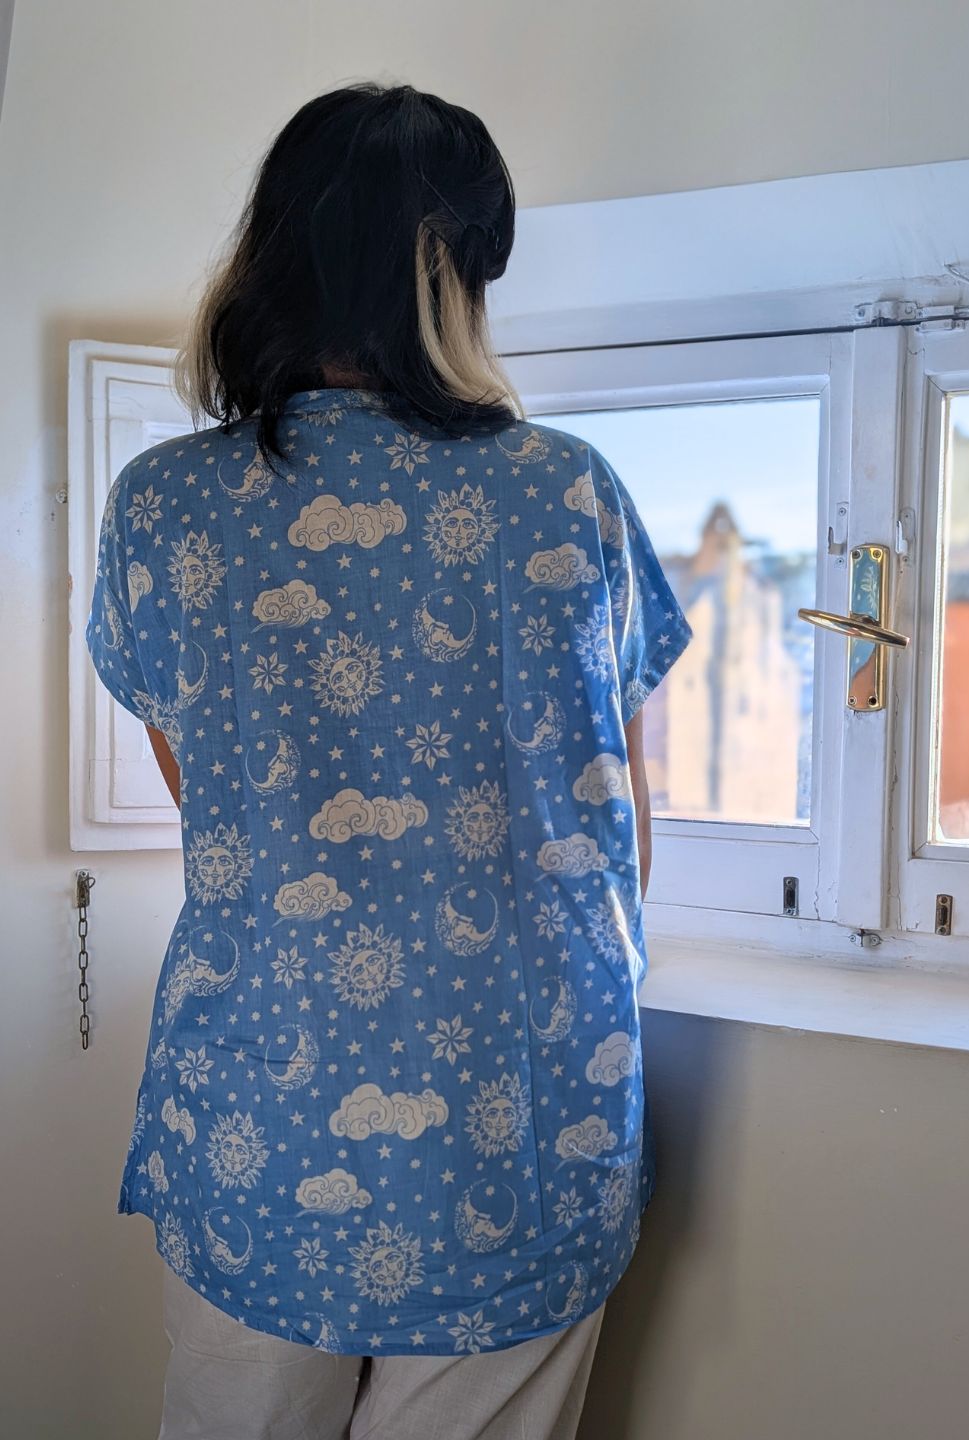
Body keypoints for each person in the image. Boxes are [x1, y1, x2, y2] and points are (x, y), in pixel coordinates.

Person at [85, 81, 692, 1440]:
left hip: (263, 1111)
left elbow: (218, 810)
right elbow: (620, 823)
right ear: (453, 274)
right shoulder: (565, 491)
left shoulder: (165, 507)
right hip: (522, 1111)